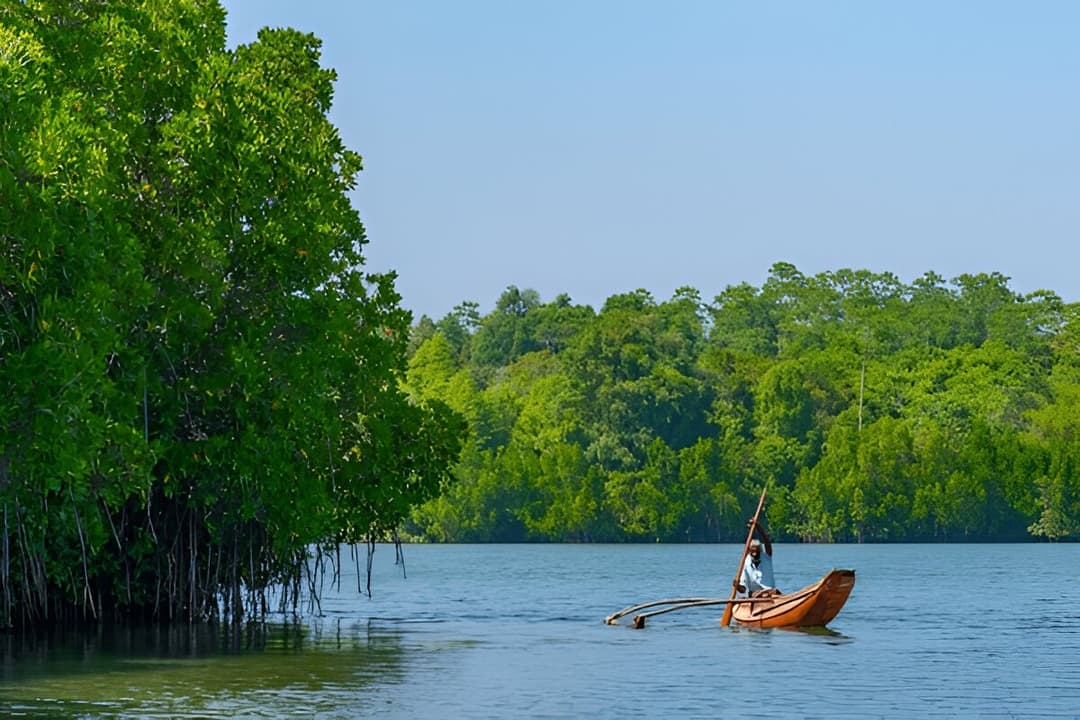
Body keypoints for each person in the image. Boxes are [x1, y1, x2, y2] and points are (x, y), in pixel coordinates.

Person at [735, 521, 780, 598]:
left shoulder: (766, 557)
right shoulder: (745, 562)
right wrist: (737, 586)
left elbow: (767, 542)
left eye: (757, 551)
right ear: (749, 551)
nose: (755, 554)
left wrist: (758, 526)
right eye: (752, 551)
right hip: (754, 596)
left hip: (770, 593)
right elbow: (743, 589)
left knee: (771, 593)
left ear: (760, 551)